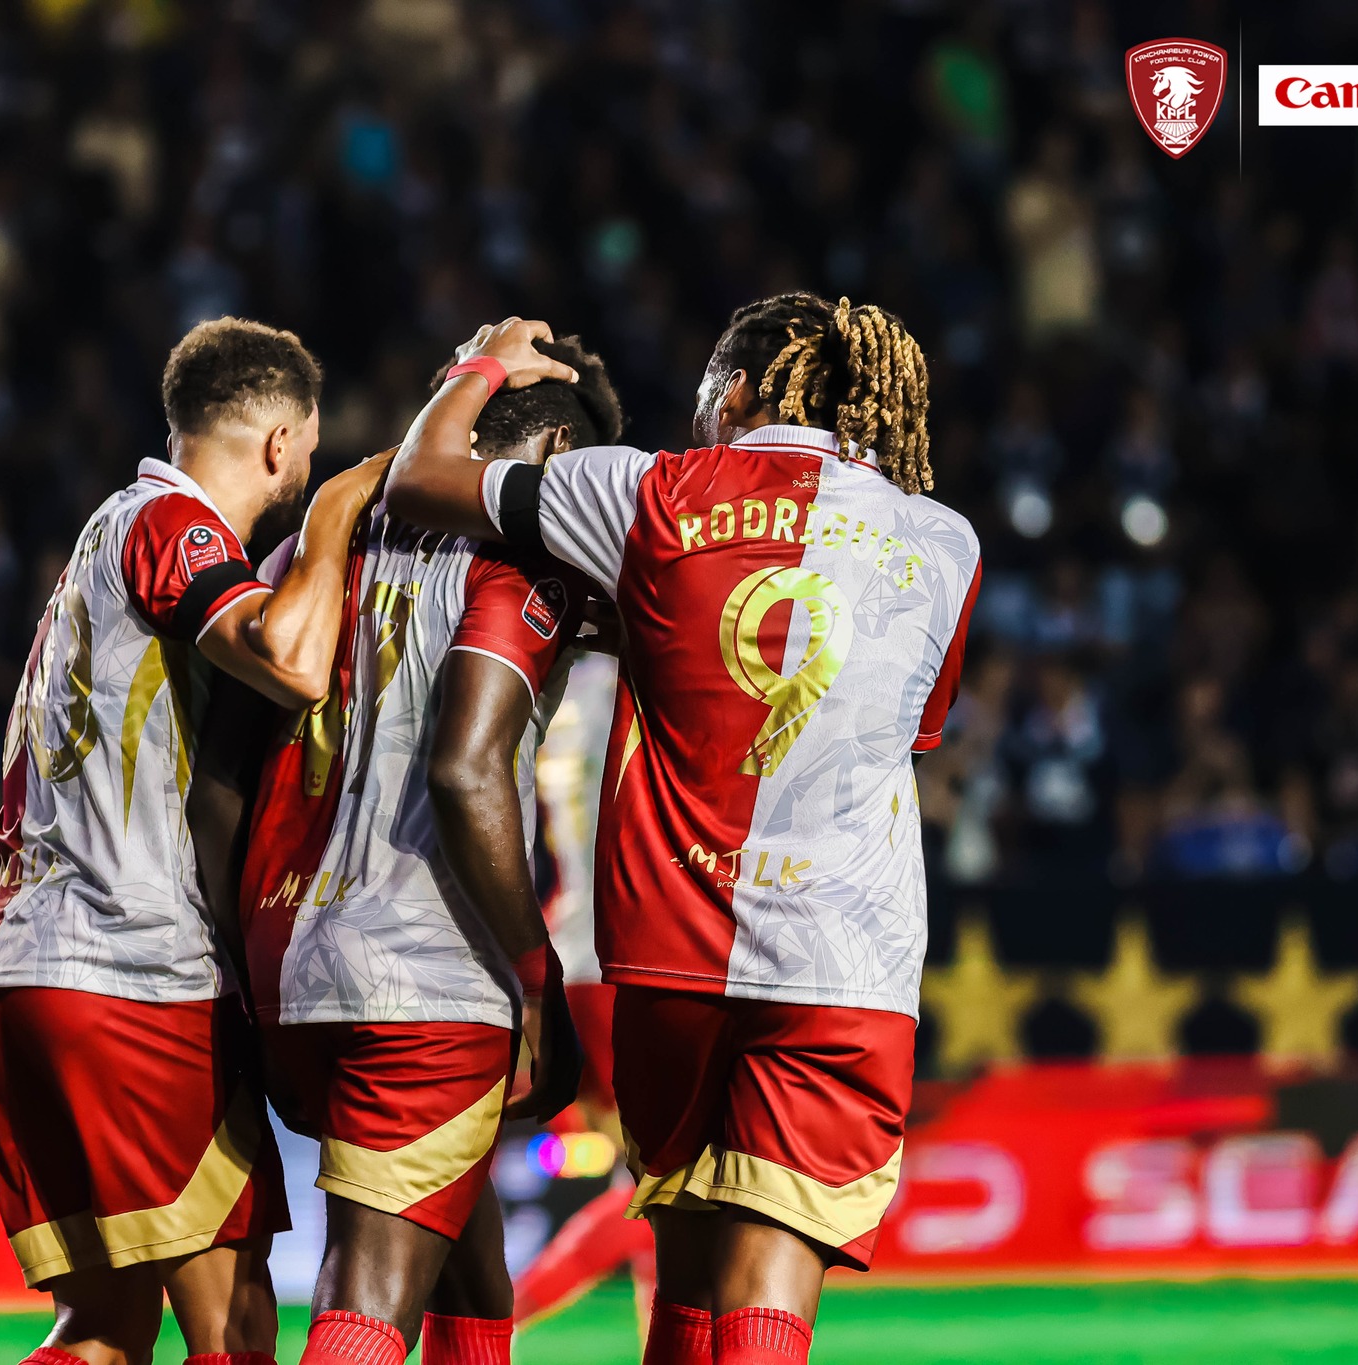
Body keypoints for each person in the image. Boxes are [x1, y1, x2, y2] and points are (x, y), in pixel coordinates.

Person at [383, 298, 980, 1365]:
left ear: (737, 391)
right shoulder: (942, 541)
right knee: (763, 1292)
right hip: (843, 966)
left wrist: (482, 364)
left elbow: (419, 479)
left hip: (671, 959)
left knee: (689, 1282)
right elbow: (911, 733)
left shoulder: (641, 490)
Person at [0, 317, 386, 1365]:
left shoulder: (103, 537)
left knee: (103, 1328)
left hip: (9, 974)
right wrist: (339, 507)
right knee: (236, 1327)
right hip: (126, 974)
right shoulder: (171, 524)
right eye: (312, 449)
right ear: (282, 442)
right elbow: (290, 662)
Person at [208, 340, 621, 1365]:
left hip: (289, 957)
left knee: (472, 1276)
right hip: (429, 972)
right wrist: (535, 979)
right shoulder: (526, 559)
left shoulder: (311, 551)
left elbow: (218, 782)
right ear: (555, 451)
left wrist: (240, 970)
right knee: (370, 1296)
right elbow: (463, 772)